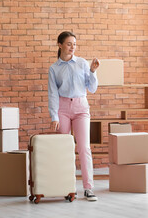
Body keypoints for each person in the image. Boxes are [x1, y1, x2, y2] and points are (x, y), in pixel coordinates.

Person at [48, 31, 100, 201]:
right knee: (64, 149)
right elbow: (53, 94)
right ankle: (67, 187)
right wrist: (54, 116)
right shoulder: (54, 69)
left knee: (84, 148)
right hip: (62, 108)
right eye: (69, 44)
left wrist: (92, 71)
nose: (72, 47)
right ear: (60, 45)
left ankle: (88, 188)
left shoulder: (82, 63)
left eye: (74, 44)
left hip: (81, 107)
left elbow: (91, 88)